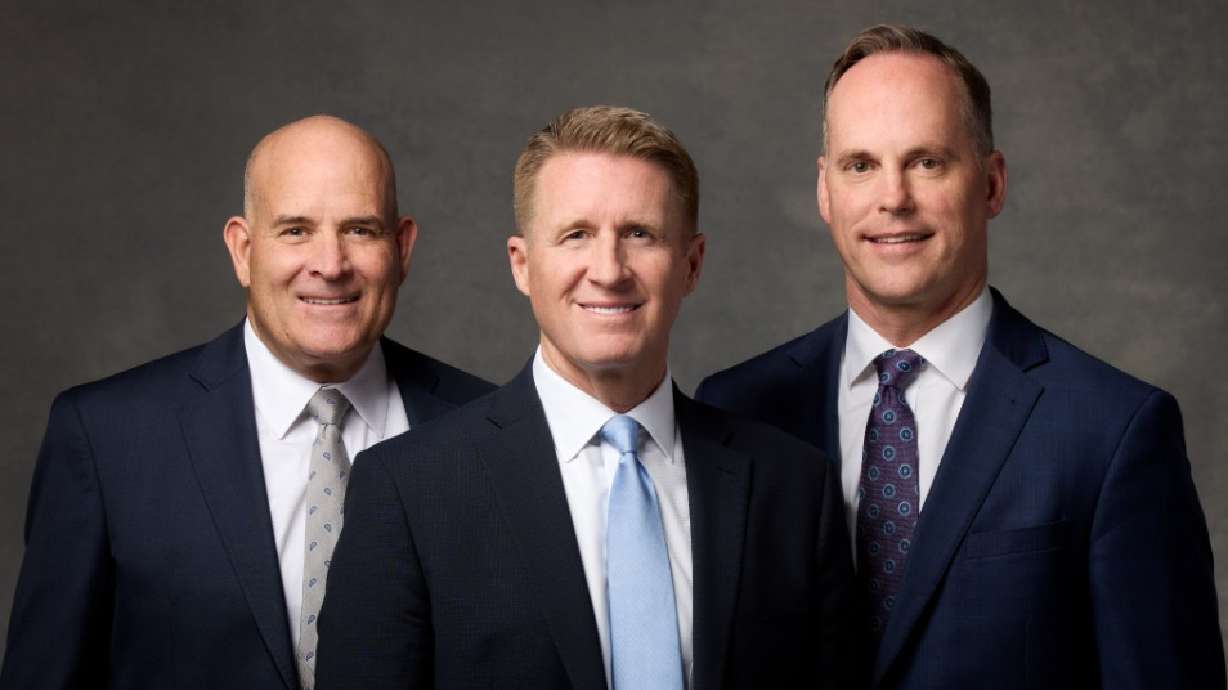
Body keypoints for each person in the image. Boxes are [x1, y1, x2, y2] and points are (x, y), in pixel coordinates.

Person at [696, 24, 1224, 689]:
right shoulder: (735, 413)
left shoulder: (1113, 430)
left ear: (992, 184)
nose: (893, 198)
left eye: (927, 161)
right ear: (826, 192)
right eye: (861, 164)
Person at [315, 105, 855, 690]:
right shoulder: (410, 492)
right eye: (576, 235)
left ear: (691, 264)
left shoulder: (793, 488)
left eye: (640, 235)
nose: (609, 270)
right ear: (522, 265)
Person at [0, 115, 494, 690]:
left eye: (360, 229)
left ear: (402, 248)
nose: (330, 265)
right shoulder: (107, 438)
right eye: (295, 231)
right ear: (242, 249)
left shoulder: (488, 431)